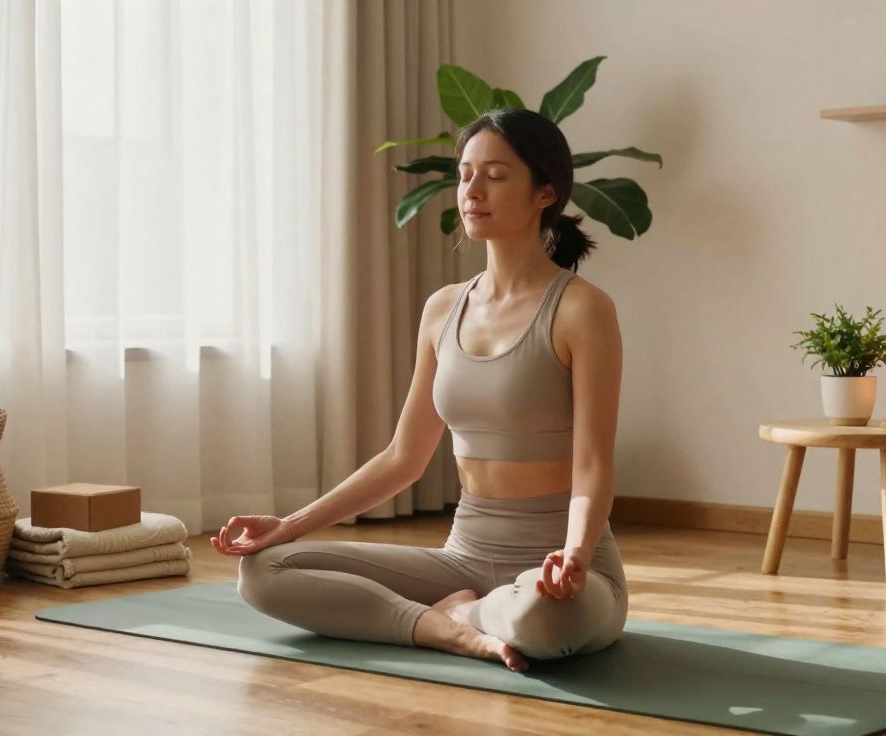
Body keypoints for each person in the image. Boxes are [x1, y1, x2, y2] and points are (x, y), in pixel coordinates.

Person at [211, 107, 625, 673]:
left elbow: (594, 464)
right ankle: (451, 627)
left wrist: (575, 556)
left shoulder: (582, 309)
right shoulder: (442, 309)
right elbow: (403, 459)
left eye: (497, 175)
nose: (472, 190)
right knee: (263, 571)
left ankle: (464, 615)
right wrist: (287, 527)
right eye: (465, 174)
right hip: (463, 557)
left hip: (563, 571)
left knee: (543, 617)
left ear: (545, 193)